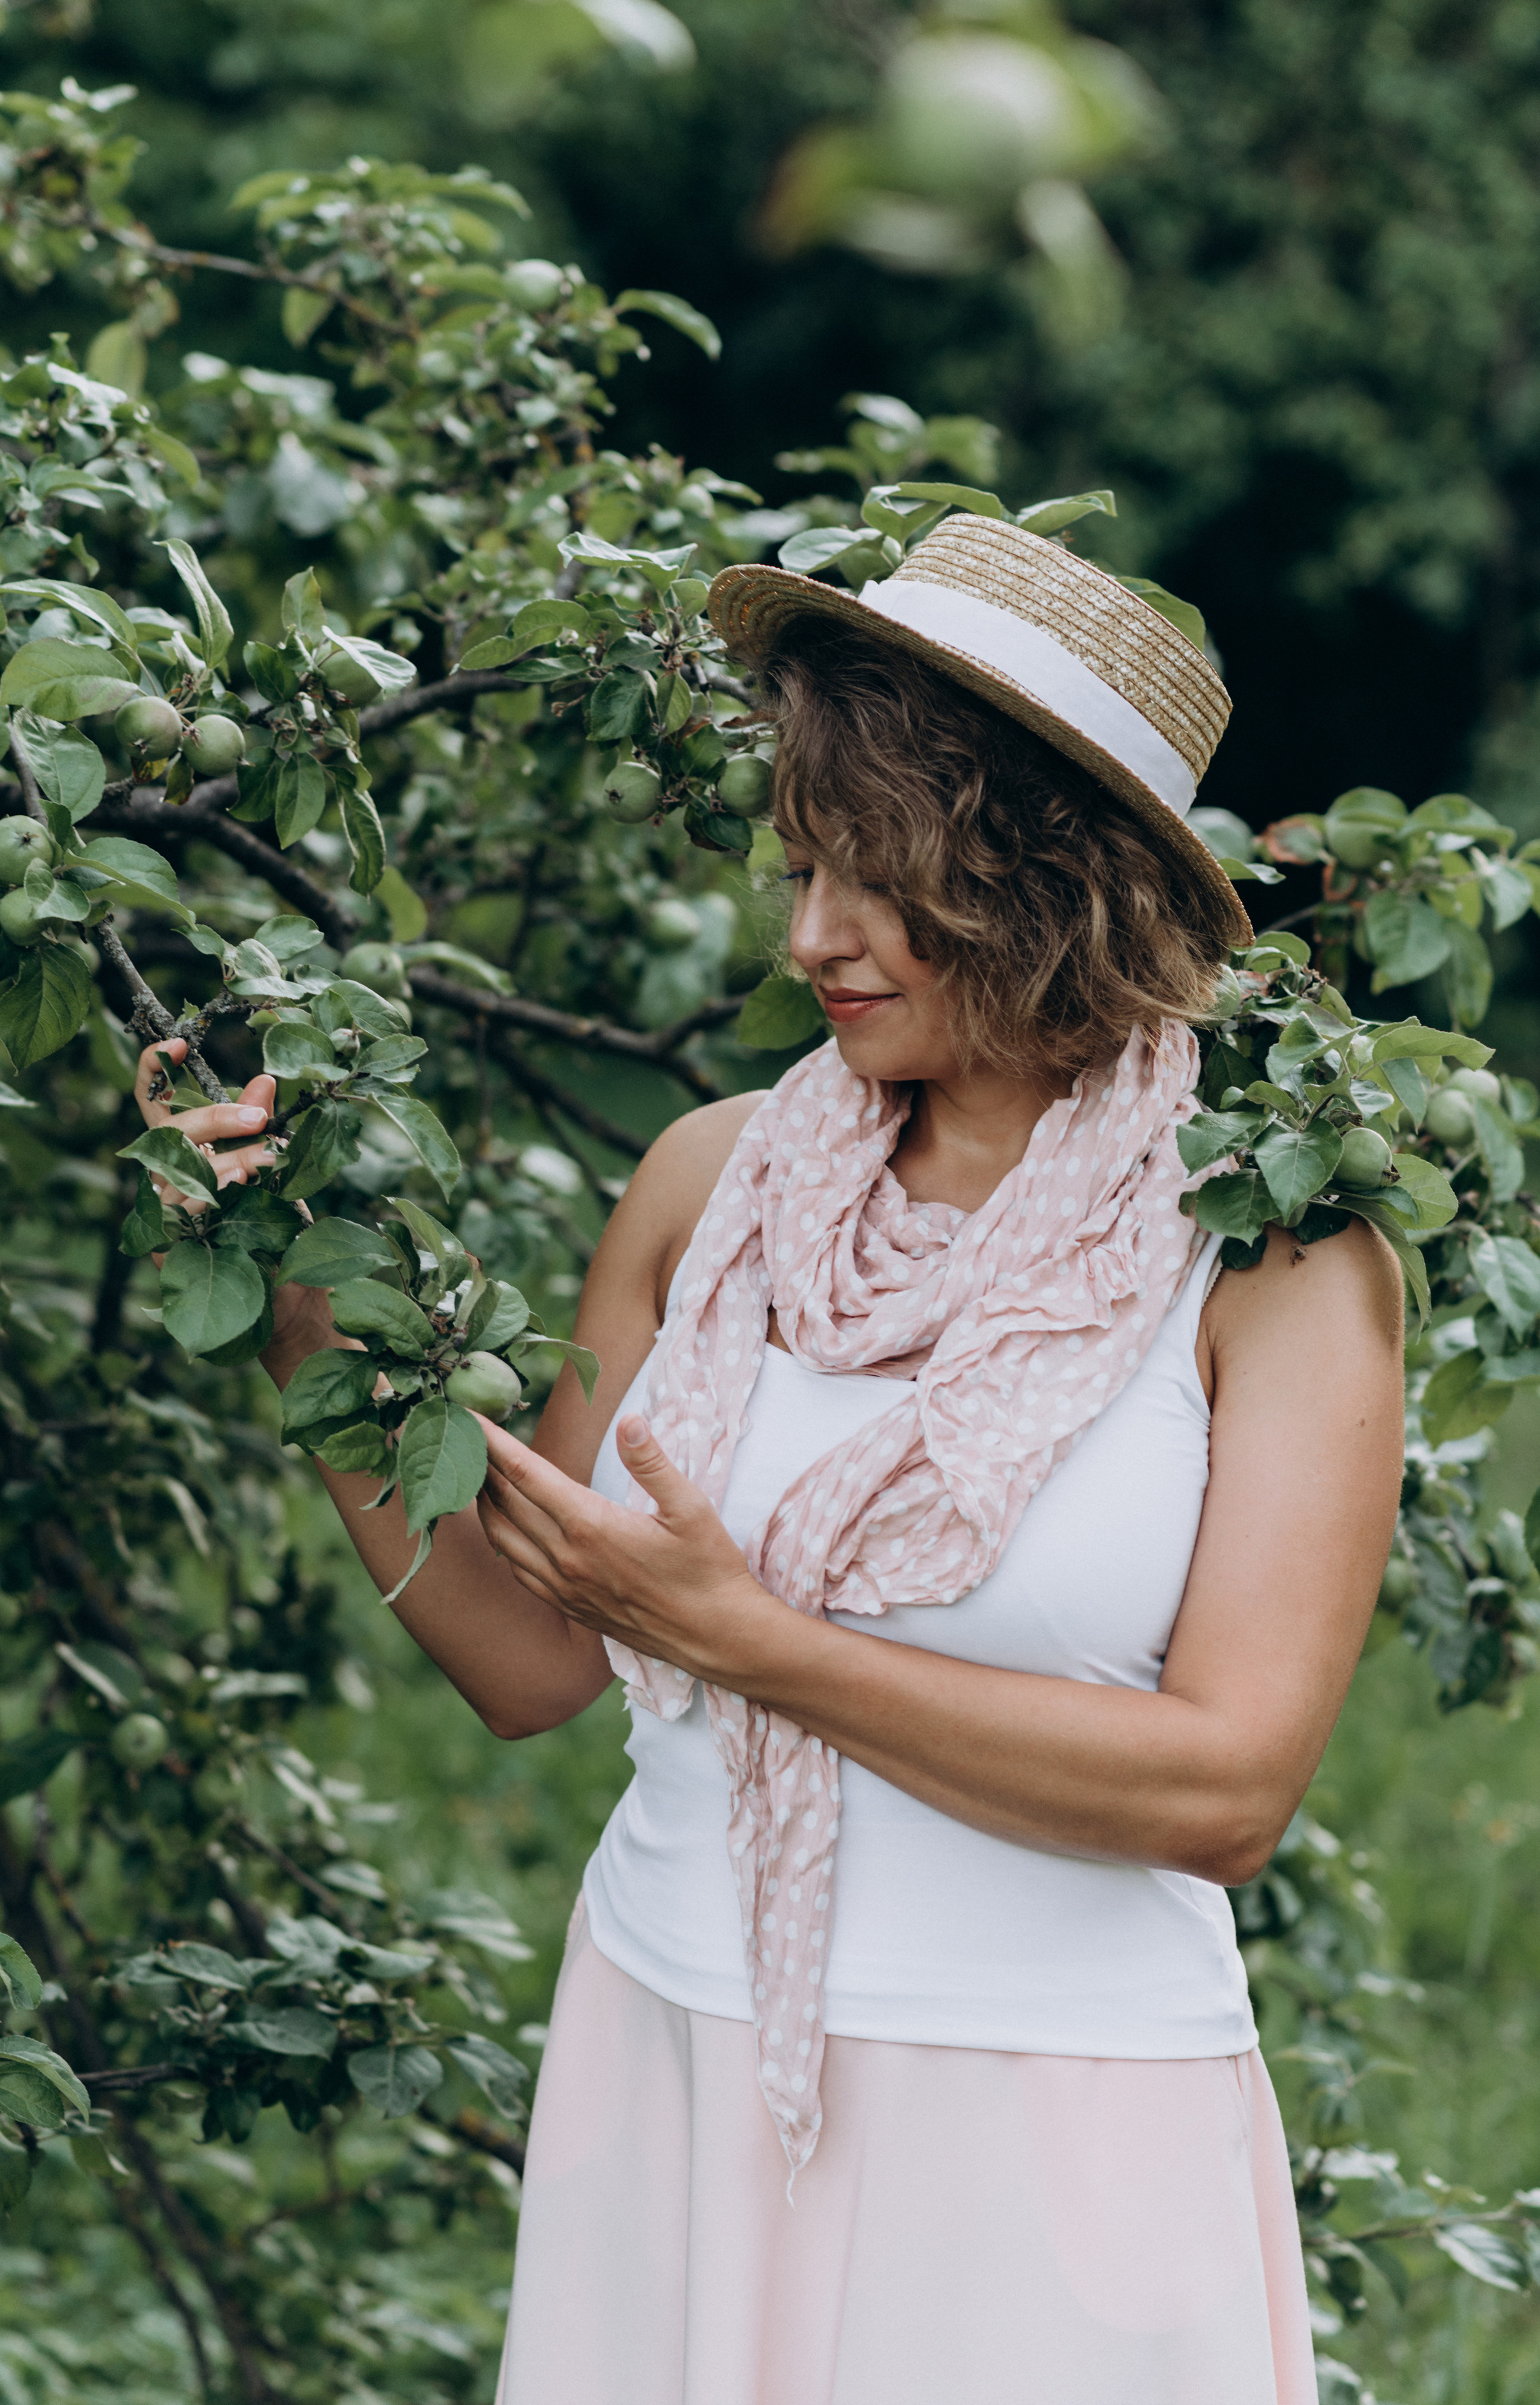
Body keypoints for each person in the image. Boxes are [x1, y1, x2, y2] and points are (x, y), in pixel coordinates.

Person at [131, 513, 1404, 2405]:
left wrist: (749, 1643)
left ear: (1055, 877)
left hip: (1047, 2130)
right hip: (677, 2058)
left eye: (882, 879)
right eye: (805, 866)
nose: (814, 937)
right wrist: (289, 1298)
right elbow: (529, 1661)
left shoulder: (1276, 1259)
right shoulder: (712, 1182)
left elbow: (1227, 1792)